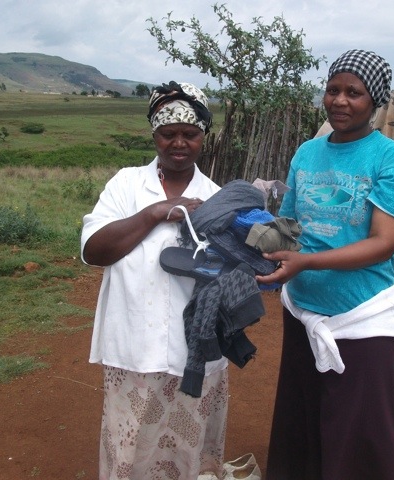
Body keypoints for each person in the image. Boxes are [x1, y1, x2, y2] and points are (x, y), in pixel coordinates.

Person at [257, 49, 394, 479]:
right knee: (305, 425)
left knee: (358, 436)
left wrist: (305, 262)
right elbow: (290, 225)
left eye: (354, 92)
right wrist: (254, 241)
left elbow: (383, 243)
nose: (340, 101)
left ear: (375, 100)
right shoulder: (307, 153)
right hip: (303, 313)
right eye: (333, 90)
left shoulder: (392, 161)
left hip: (360, 320)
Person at [81, 81, 228, 480]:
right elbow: (94, 250)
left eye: (190, 134)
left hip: (196, 353)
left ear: (204, 136)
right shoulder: (126, 185)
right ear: (154, 134)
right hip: (134, 347)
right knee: (129, 451)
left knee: (187, 451)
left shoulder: (216, 198)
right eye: (168, 133)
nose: (179, 143)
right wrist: (156, 213)